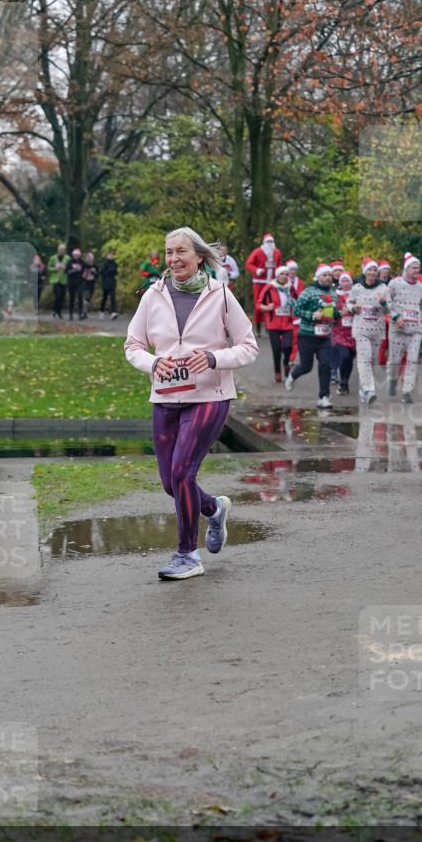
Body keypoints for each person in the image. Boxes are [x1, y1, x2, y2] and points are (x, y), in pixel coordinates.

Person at [124, 227, 258, 579]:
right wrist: (153, 362)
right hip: (165, 397)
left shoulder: (221, 295)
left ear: (199, 256)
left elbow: (249, 346)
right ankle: (213, 509)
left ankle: (187, 555)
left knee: (183, 472)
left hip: (209, 397)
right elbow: (132, 346)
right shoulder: (152, 295)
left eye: (181, 251)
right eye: (169, 252)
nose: (173, 259)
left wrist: (214, 359)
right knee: (171, 483)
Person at [284, 262, 338, 408]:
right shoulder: (309, 291)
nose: (328, 278)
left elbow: (333, 314)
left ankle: (324, 397)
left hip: (324, 336)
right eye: (324, 275)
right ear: (318, 277)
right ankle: (292, 375)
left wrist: (339, 313)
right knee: (306, 366)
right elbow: (296, 310)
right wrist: (313, 315)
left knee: (325, 365)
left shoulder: (333, 294)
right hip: (307, 335)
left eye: (329, 275)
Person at [386, 252, 422, 403]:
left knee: (412, 360)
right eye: (413, 267)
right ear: (406, 268)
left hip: (415, 330)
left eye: (418, 268)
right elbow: (386, 304)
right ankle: (392, 379)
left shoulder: (421, 287)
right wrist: (395, 317)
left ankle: (406, 392)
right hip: (398, 329)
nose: (417, 270)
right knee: (395, 360)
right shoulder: (394, 284)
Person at [347, 258, 389, 404]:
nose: (372, 272)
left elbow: (388, 309)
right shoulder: (357, 288)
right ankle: (369, 390)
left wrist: (383, 303)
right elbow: (349, 302)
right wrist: (353, 308)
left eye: (374, 270)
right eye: (370, 270)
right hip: (361, 328)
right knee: (364, 358)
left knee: (372, 361)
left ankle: (363, 389)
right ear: (365, 272)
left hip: (377, 329)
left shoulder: (383, 288)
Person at [259, 264, 296, 382]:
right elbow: (259, 304)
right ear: (277, 275)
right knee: (276, 349)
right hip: (273, 324)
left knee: (288, 347)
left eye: (287, 274)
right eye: (282, 274)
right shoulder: (269, 287)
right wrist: (267, 308)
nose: (284, 276)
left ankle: (286, 363)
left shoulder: (290, 288)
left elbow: (297, 301)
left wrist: (294, 309)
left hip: (287, 323)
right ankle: (277, 371)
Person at [245, 233, 283, 335]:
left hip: (272, 282)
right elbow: (248, 264)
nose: (270, 243)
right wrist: (256, 270)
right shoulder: (257, 252)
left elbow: (279, 265)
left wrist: (279, 274)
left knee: (271, 303)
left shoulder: (277, 252)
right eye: (268, 241)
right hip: (259, 282)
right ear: (264, 243)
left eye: (271, 241)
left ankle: (269, 325)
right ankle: (257, 325)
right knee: (259, 303)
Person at [333, 272, 356, 394]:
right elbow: (329, 312)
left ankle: (345, 381)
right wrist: (339, 313)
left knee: (350, 358)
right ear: (339, 283)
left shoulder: (357, 294)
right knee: (345, 355)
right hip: (339, 331)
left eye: (347, 281)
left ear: (351, 282)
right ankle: (342, 382)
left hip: (354, 331)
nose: (345, 283)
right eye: (343, 281)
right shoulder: (335, 295)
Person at [286, 259, 305, 365]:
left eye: (294, 270)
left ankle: (291, 358)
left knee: (295, 337)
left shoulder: (300, 283)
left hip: (297, 314)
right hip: (285, 314)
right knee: (285, 339)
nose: (292, 272)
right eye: (290, 270)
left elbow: (302, 297)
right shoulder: (282, 281)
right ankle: (286, 354)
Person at [48, 244, 70, 318]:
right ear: (58, 250)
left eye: (63, 249)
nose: (62, 251)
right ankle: (55, 310)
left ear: (65, 250)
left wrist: (65, 268)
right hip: (55, 279)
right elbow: (49, 267)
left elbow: (70, 267)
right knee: (58, 295)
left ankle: (59, 311)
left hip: (64, 279)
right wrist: (55, 269)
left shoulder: (68, 258)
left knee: (62, 296)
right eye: (60, 249)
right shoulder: (53, 258)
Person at [65, 247, 85, 320]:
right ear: (73, 255)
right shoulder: (70, 262)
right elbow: (66, 271)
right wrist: (72, 270)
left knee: (80, 295)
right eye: (75, 255)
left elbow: (85, 269)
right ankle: (71, 313)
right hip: (71, 282)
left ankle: (80, 313)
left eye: (77, 255)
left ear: (79, 255)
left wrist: (83, 274)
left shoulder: (82, 262)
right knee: (72, 297)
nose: (76, 256)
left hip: (79, 281)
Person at [100, 250, 119, 319]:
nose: (111, 256)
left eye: (112, 255)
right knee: (104, 298)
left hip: (112, 282)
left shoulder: (115, 264)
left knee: (112, 297)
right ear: (107, 256)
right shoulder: (104, 264)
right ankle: (102, 311)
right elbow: (102, 272)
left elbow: (116, 272)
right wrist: (109, 271)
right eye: (109, 255)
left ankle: (113, 312)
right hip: (105, 282)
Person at [81, 252, 99, 318]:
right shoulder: (83, 265)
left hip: (91, 282)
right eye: (87, 258)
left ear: (92, 259)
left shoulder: (95, 266)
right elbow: (80, 274)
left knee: (88, 298)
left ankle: (85, 312)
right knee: (85, 296)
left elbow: (97, 276)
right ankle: (83, 312)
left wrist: (93, 272)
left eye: (90, 258)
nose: (88, 259)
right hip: (84, 282)